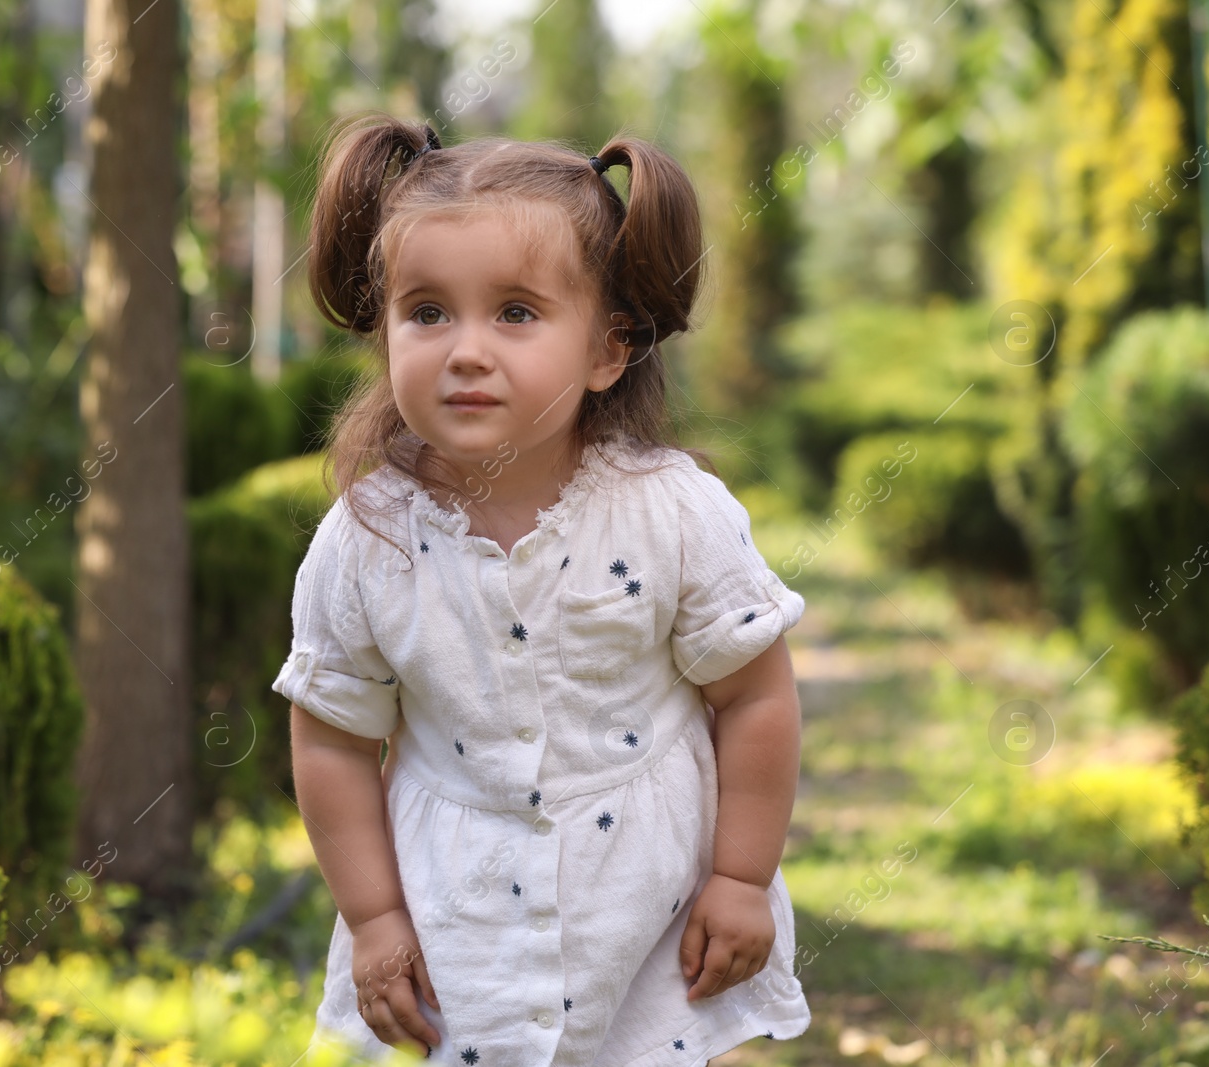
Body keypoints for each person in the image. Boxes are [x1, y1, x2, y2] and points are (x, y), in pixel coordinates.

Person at [272, 113, 809, 1067]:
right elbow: (333, 737)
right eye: (427, 311)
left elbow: (755, 694)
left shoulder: (673, 513)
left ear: (607, 349)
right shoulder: (365, 540)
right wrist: (373, 915)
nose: (465, 349)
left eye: (515, 312)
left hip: (654, 913)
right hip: (459, 924)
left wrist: (740, 875)